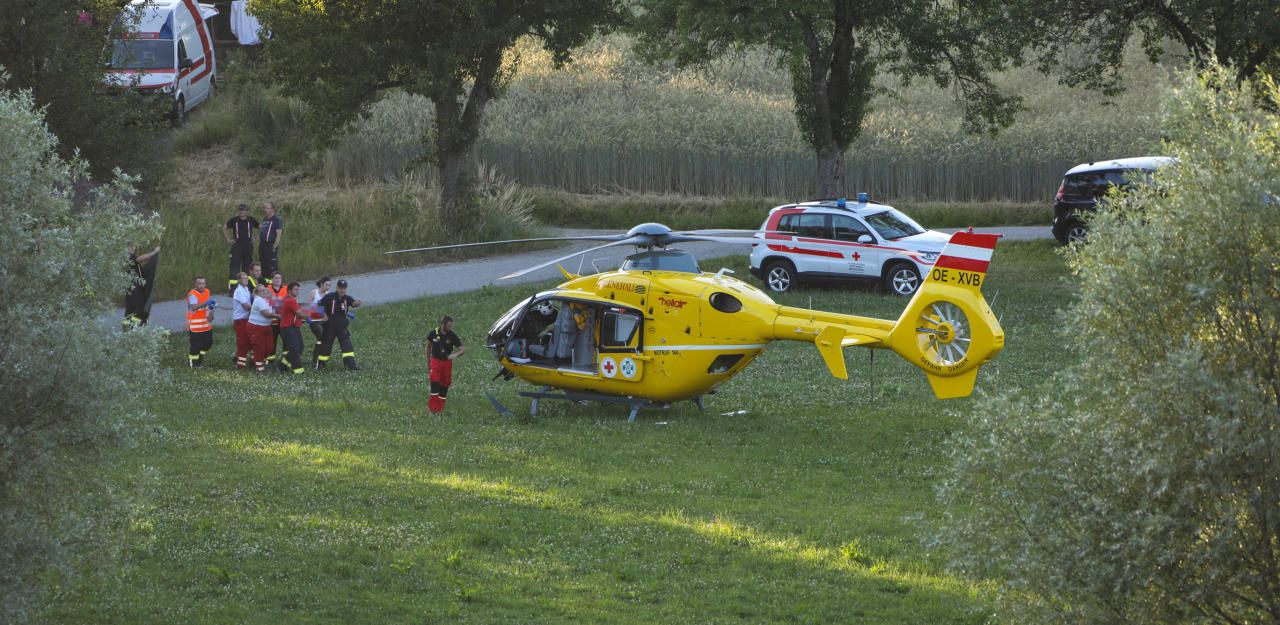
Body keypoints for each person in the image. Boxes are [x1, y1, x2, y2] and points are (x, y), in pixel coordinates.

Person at [315, 279, 362, 371]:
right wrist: (323, 314)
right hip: (329, 327)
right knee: (326, 347)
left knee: (347, 346)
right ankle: (320, 365)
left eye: (344, 288)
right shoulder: (330, 297)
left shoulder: (347, 298)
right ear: (337, 288)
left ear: (346, 289)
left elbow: (353, 303)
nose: (342, 290)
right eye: (340, 288)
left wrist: (357, 303)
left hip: (342, 327)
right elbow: (319, 305)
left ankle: (351, 366)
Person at [426, 315, 465, 414]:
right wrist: (428, 361)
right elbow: (428, 347)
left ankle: (439, 409)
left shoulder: (452, 336)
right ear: (443, 324)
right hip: (435, 361)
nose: (450, 328)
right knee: (434, 382)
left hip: (447, 363)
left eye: (451, 326)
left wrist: (454, 355)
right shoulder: (433, 333)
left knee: (444, 385)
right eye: (449, 326)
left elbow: (462, 349)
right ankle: (432, 409)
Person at [123, 243, 160, 329]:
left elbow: (138, 264)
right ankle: (133, 327)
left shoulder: (127, 258)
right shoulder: (128, 256)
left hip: (130, 287)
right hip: (135, 287)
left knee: (130, 307)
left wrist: (151, 259)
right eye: (131, 246)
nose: (133, 248)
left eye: (134, 246)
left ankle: (126, 326)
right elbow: (139, 259)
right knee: (139, 306)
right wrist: (154, 252)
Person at [224, 203, 258, 295]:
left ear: (246, 211)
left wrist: (256, 238)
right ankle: (233, 290)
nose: (241, 211)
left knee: (247, 268)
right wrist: (228, 239)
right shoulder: (234, 220)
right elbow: (225, 227)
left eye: (243, 210)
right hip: (237, 246)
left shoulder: (251, 220)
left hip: (248, 246)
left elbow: (260, 227)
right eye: (240, 210)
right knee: (234, 268)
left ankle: (247, 288)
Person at [277, 281, 307, 374]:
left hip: (294, 327)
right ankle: (298, 370)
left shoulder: (290, 299)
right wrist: (310, 316)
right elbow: (299, 312)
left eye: (298, 289)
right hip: (288, 328)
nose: (297, 291)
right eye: (295, 289)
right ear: (289, 290)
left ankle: (282, 364)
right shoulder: (290, 300)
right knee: (294, 348)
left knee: (300, 347)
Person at [247, 284, 278, 372]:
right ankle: (259, 369)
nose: (264, 292)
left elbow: (274, 308)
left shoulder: (265, 300)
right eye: (261, 290)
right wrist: (278, 316)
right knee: (259, 348)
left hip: (266, 327)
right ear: (257, 293)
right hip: (256, 327)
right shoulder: (258, 300)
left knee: (269, 348)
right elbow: (266, 314)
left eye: (265, 290)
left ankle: (254, 358)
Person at [185, 276, 214, 367]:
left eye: (203, 283)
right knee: (195, 345)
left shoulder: (207, 291)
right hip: (194, 325)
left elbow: (207, 306)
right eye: (199, 283)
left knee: (208, 342)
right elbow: (194, 307)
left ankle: (200, 358)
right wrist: (206, 302)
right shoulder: (192, 294)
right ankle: (193, 364)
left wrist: (211, 308)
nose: (201, 286)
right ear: (195, 284)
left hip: (205, 323)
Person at [232, 272, 254, 369]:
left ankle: (239, 357)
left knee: (249, 341)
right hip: (240, 320)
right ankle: (240, 365)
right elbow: (246, 306)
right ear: (239, 280)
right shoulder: (239, 291)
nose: (246, 280)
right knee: (243, 342)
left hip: (247, 319)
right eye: (244, 278)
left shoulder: (246, 289)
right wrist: (259, 310)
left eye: (247, 278)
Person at [307, 277, 331, 366]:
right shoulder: (313, 293)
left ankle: (319, 359)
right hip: (314, 321)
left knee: (322, 340)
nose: (328, 287)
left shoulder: (329, 295)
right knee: (321, 337)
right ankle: (315, 360)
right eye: (326, 285)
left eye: (329, 285)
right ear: (321, 284)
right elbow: (308, 308)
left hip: (324, 321)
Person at [265, 272, 287, 369]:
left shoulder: (286, 289)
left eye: (279, 278)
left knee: (286, 339)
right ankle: (270, 359)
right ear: (272, 279)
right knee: (271, 341)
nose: (278, 280)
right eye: (276, 278)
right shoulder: (267, 289)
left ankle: (285, 359)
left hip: (283, 320)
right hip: (271, 320)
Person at [259, 201, 283, 276]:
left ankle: (275, 284)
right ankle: (265, 283)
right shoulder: (265, 219)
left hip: (271, 244)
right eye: (264, 208)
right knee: (264, 265)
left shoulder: (276, 219)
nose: (265, 210)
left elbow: (278, 234)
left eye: (267, 208)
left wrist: (274, 246)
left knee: (272, 266)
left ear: (272, 209)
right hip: (263, 245)